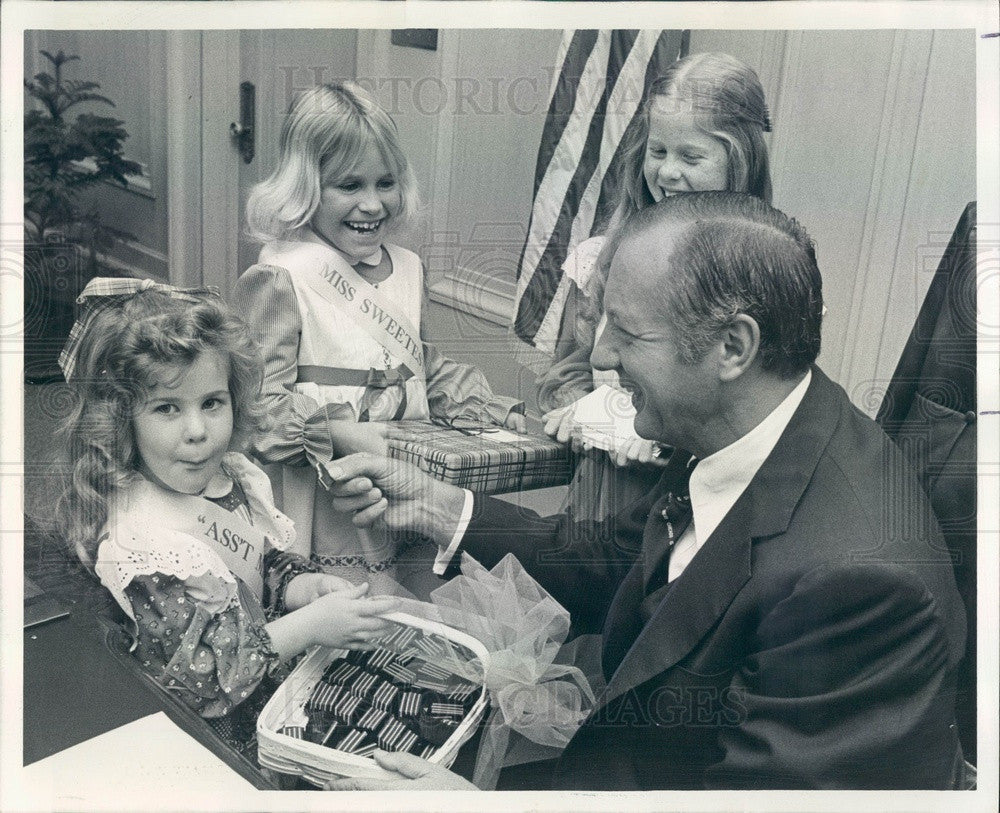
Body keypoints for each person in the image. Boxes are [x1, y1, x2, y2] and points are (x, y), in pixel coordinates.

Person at [321, 193, 967, 790]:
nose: (599, 355)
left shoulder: (863, 590)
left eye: (626, 334)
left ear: (733, 346)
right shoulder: (743, 427)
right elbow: (609, 560)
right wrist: (438, 504)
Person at [53, 279, 397, 755]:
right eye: (167, 408)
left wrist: (302, 588)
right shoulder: (142, 542)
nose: (198, 432)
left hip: (268, 694)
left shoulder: (229, 478)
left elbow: (261, 560)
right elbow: (203, 679)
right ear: (120, 420)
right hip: (211, 738)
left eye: (212, 402)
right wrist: (309, 626)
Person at [233, 82, 525, 589]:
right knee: (342, 618)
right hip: (327, 501)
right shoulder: (285, 276)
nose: (372, 205)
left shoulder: (408, 268)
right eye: (350, 186)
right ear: (305, 188)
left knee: (411, 612)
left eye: (385, 183)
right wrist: (343, 432)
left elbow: (424, 370)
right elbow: (259, 405)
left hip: (405, 481)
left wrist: (500, 412)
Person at [538, 52, 774, 524]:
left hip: (699, 511)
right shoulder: (602, 258)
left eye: (691, 156)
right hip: (600, 498)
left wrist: (657, 434)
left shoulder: (769, 276)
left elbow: (756, 418)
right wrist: (592, 414)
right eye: (658, 151)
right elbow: (563, 377)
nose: (667, 172)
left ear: (740, 162)